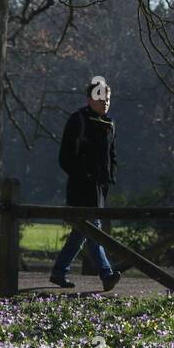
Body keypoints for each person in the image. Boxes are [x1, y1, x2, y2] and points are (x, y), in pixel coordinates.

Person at [51, 80, 120, 291]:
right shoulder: (78, 120)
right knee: (93, 230)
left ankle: (59, 272)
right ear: (90, 99)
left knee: (81, 233)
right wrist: (85, 175)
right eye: (101, 98)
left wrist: (110, 176)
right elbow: (65, 158)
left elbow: (111, 155)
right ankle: (106, 274)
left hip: (99, 190)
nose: (105, 103)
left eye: (107, 99)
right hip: (81, 189)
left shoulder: (109, 124)